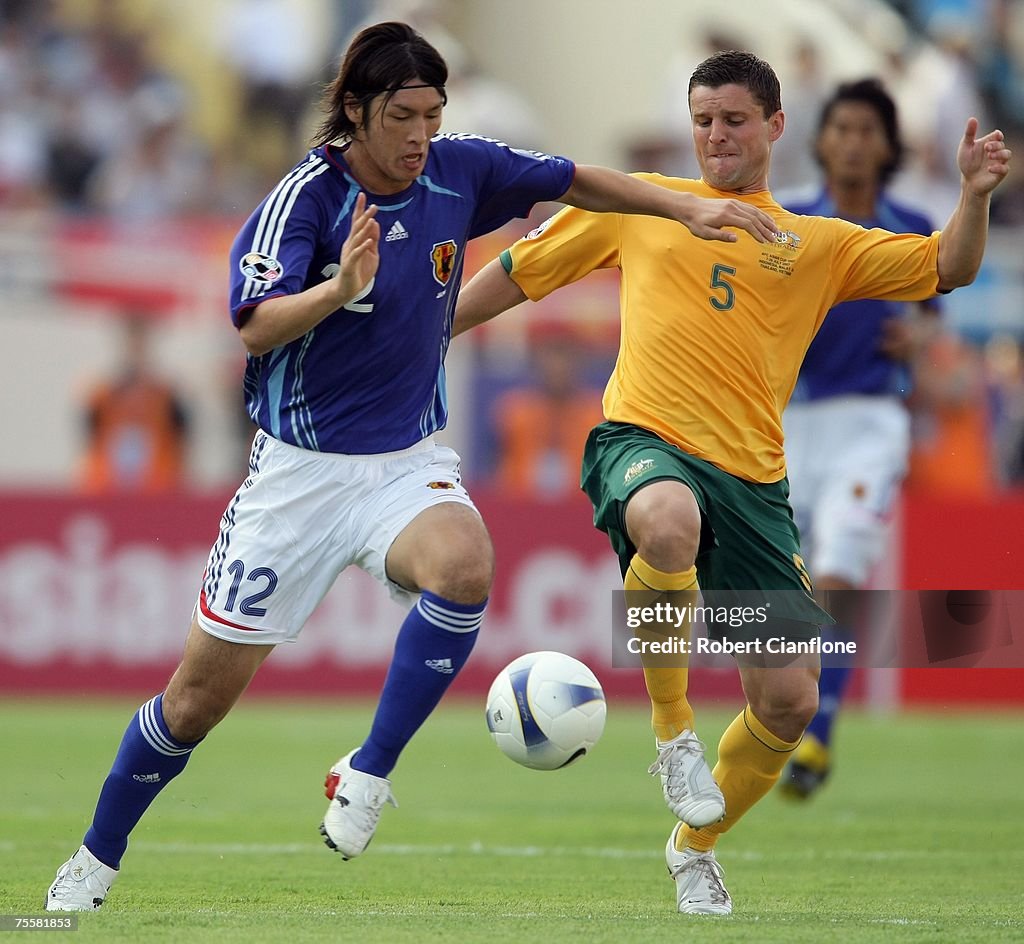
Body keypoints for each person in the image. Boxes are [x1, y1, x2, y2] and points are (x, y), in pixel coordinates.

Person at [44, 22, 779, 912]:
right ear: (355, 110)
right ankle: (93, 860)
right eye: (403, 114)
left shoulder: (458, 168)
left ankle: (367, 771)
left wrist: (685, 207)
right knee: (193, 705)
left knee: (467, 566)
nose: (421, 132)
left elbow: (575, 179)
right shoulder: (306, 198)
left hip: (404, 462)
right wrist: (335, 291)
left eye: (433, 112)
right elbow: (251, 324)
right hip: (297, 481)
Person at [454, 50, 1010, 915]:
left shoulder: (816, 244)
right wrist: (427, 336)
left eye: (735, 121)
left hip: (753, 489)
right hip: (642, 441)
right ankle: (674, 738)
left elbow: (951, 267)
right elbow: (520, 275)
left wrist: (974, 197)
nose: (716, 136)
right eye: (704, 120)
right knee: (665, 521)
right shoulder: (641, 206)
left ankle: (693, 847)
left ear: (775, 128)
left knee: (789, 701)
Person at [774, 78, 941, 801]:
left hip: (869, 420)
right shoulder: (790, 222)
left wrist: (922, 334)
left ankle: (821, 730)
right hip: (786, 422)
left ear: (887, 145)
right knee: (789, 591)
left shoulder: (911, 225)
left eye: (866, 130)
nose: (852, 142)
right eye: (840, 127)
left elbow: (936, 314)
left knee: (839, 572)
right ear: (822, 140)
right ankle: (782, 717)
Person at [79, 311, 190, 493]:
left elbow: (182, 440)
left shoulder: (167, 394)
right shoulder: (102, 393)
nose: (136, 344)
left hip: (157, 488)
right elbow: (90, 437)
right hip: (108, 487)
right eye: (131, 337)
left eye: (141, 337)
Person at [491, 323, 605, 498]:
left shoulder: (597, 414)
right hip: (521, 506)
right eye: (550, 355)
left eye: (565, 355)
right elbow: (496, 472)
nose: (557, 365)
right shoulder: (514, 411)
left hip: (582, 508)